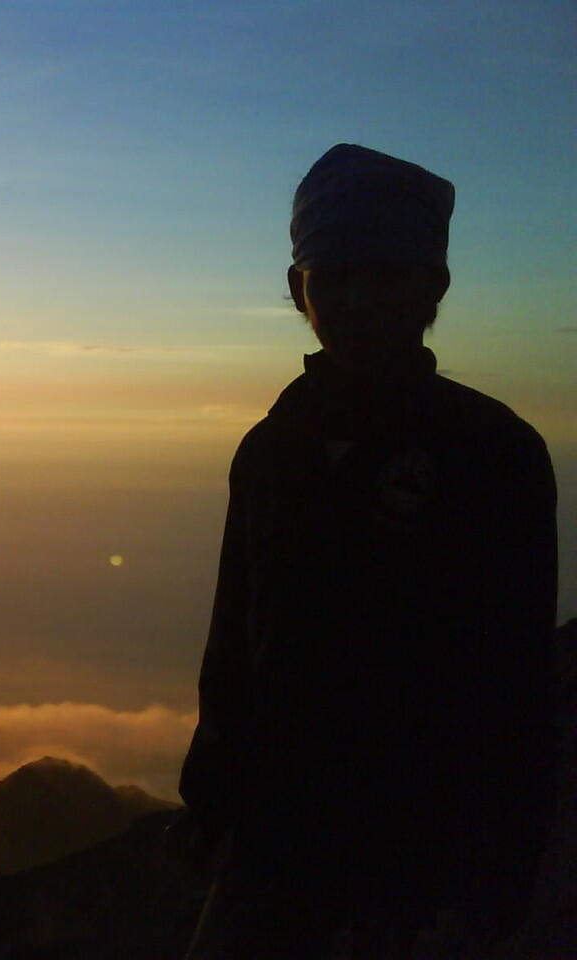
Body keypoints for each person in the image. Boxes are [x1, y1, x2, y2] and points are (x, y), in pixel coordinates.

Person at [176, 144, 560, 958]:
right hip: (276, 836)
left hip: (423, 851)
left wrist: (490, 883)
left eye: (383, 275)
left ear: (433, 288)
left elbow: (516, 687)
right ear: (297, 291)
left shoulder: (493, 453)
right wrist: (212, 807)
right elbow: (235, 641)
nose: (355, 300)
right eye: (332, 276)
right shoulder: (273, 451)